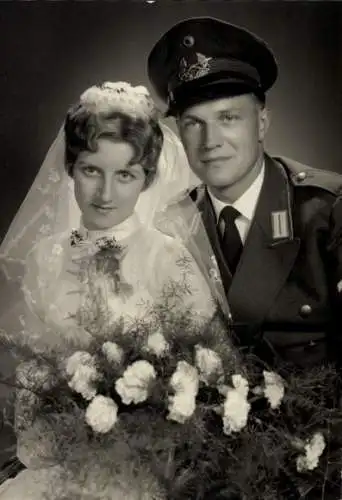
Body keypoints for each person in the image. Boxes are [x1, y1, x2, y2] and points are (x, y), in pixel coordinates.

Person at [0, 81, 231, 499]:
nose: (106, 194)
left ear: (145, 180)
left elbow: (217, 368)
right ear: (70, 169)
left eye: (125, 175)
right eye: (92, 170)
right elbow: (27, 366)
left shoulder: (167, 257)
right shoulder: (44, 256)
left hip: (138, 470)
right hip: (56, 460)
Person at [147, 16, 342, 371]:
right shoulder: (171, 225)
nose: (210, 142)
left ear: (262, 123)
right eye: (193, 123)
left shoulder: (327, 210)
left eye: (228, 118)